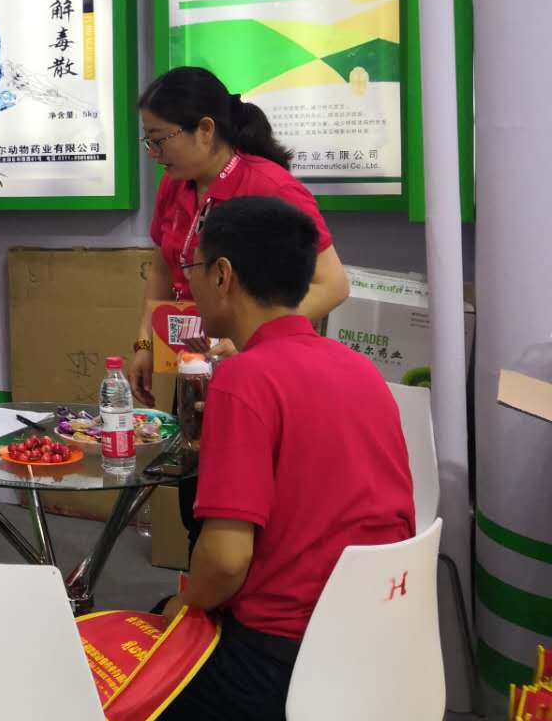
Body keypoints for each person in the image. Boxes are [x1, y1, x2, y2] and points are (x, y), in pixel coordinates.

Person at [160, 197, 414, 720]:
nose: (190, 284)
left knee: (131, 658)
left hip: (283, 661)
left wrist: (180, 606)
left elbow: (226, 561)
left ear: (222, 275)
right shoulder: (360, 368)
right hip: (381, 641)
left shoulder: (243, 379)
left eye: (194, 269)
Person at [131, 65, 349, 401]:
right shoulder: (175, 184)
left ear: (205, 129)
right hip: (193, 360)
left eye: (160, 140)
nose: (152, 152)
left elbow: (333, 285)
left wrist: (252, 335)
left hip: (260, 366)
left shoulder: (271, 187)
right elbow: (162, 269)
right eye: (148, 140)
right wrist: (145, 344)